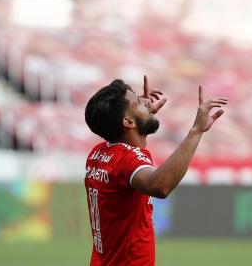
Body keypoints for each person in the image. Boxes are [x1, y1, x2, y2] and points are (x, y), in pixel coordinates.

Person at [84, 75, 228, 266]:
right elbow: (160, 185)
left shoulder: (98, 154)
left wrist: (141, 117)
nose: (145, 101)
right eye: (138, 103)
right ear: (128, 122)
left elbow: (128, 153)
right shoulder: (127, 160)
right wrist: (196, 130)